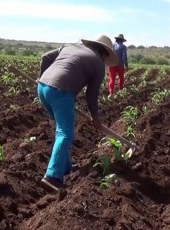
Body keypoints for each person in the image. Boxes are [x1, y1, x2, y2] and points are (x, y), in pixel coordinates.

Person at [37, 35, 118, 192]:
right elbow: (92, 94)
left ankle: (65, 166)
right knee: (65, 134)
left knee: (61, 129)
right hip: (61, 92)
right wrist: (95, 116)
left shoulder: (70, 47)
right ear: (104, 53)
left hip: (42, 88)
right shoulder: (98, 63)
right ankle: (52, 176)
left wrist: (41, 77)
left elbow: (45, 57)